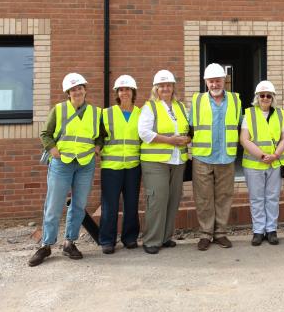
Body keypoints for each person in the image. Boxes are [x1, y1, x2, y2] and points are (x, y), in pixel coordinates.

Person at [28, 73, 102, 266]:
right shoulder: (59, 110)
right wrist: (52, 149)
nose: (77, 91)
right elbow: (46, 133)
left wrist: (98, 146)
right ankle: (46, 245)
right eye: (73, 89)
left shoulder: (96, 112)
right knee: (53, 205)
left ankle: (70, 242)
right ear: (68, 92)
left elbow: (101, 135)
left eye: (80, 88)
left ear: (85, 89)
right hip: (62, 163)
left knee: (78, 205)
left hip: (85, 164)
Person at [138, 69, 191, 254]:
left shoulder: (181, 107)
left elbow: (187, 129)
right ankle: (152, 240)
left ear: (173, 87)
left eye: (168, 85)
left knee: (173, 199)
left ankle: (166, 237)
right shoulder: (150, 107)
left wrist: (187, 139)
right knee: (157, 200)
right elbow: (144, 133)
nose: (165, 88)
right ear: (156, 88)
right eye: (162, 86)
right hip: (155, 162)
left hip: (177, 161)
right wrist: (170, 141)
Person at [190, 63, 242, 251]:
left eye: (218, 80)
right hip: (202, 158)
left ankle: (220, 233)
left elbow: (240, 126)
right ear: (205, 82)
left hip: (226, 157)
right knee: (203, 198)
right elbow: (189, 128)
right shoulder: (197, 100)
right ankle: (205, 234)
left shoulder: (236, 100)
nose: (214, 84)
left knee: (224, 197)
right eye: (211, 81)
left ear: (224, 81)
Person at [239, 80, 284, 246]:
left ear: (273, 97)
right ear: (257, 97)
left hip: (274, 163)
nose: (265, 98)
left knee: (272, 198)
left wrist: (275, 155)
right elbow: (244, 139)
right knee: (256, 199)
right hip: (254, 164)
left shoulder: (281, 114)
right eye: (262, 95)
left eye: (268, 95)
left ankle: (271, 230)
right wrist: (262, 156)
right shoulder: (249, 114)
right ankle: (258, 231)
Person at [98, 74, 142, 254]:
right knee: (110, 205)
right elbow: (98, 135)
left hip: (133, 166)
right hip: (111, 167)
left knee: (132, 204)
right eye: (121, 89)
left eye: (128, 89)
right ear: (117, 93)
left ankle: (130, 238)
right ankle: (107, 240)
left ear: (133, 92)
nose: (124, 92)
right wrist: (97, 146)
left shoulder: (141, 113)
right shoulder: (106, 113)